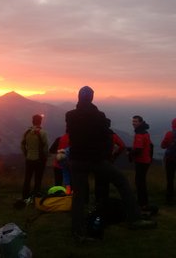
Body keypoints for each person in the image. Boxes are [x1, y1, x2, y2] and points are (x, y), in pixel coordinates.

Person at [65, 86, 156, 242]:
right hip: (96, 160)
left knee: (78, 196)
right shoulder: (99, 116)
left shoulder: (70, 115)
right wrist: (106, 156)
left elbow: (71, 134)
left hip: (76, 160)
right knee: (121, 181)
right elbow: (107, 138)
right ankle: (134, 219)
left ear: (78, 97)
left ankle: (78, 233)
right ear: (92, 98)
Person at [94, 118, 126, 207]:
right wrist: (114, 155)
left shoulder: (95, 134)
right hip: (108, 161)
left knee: (98, 181)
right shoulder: (112, 135)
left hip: (97, 161)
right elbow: (122, 146)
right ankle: (105, 200)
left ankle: (98, 200)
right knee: (105, 181)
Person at [20, 114, 49, 200]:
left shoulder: (26, 132)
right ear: (40, 122)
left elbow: (22, 145)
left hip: (29, 158)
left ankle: (25, 196)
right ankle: (36, 197)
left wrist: (26, 154)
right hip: (39, 160)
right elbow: (46, 147)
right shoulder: (43, 133)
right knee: (38, 178)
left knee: (27, 178)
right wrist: (44, 156)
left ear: (32, 121)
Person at [129, 115, 153, 212]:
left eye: (135, 122)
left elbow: (138, 149)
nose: (133, 123)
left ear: (140, 122)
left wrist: (130, 153)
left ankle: (142, 203)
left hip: (141, 161)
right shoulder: (145, 133)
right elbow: (149, 145)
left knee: (139, 182)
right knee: (141, 182)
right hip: (146, 160)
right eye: (133, 121)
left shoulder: (140, 134)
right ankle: (143, 202)